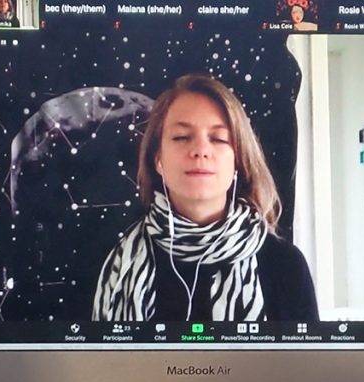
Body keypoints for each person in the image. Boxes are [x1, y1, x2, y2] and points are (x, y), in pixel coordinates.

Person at [93, 73, 318, 322]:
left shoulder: (285, 266)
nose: (200, 150)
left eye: (219, 138)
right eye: (181, 137)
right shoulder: (120, 264)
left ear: (237, 161)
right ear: (158, 160)